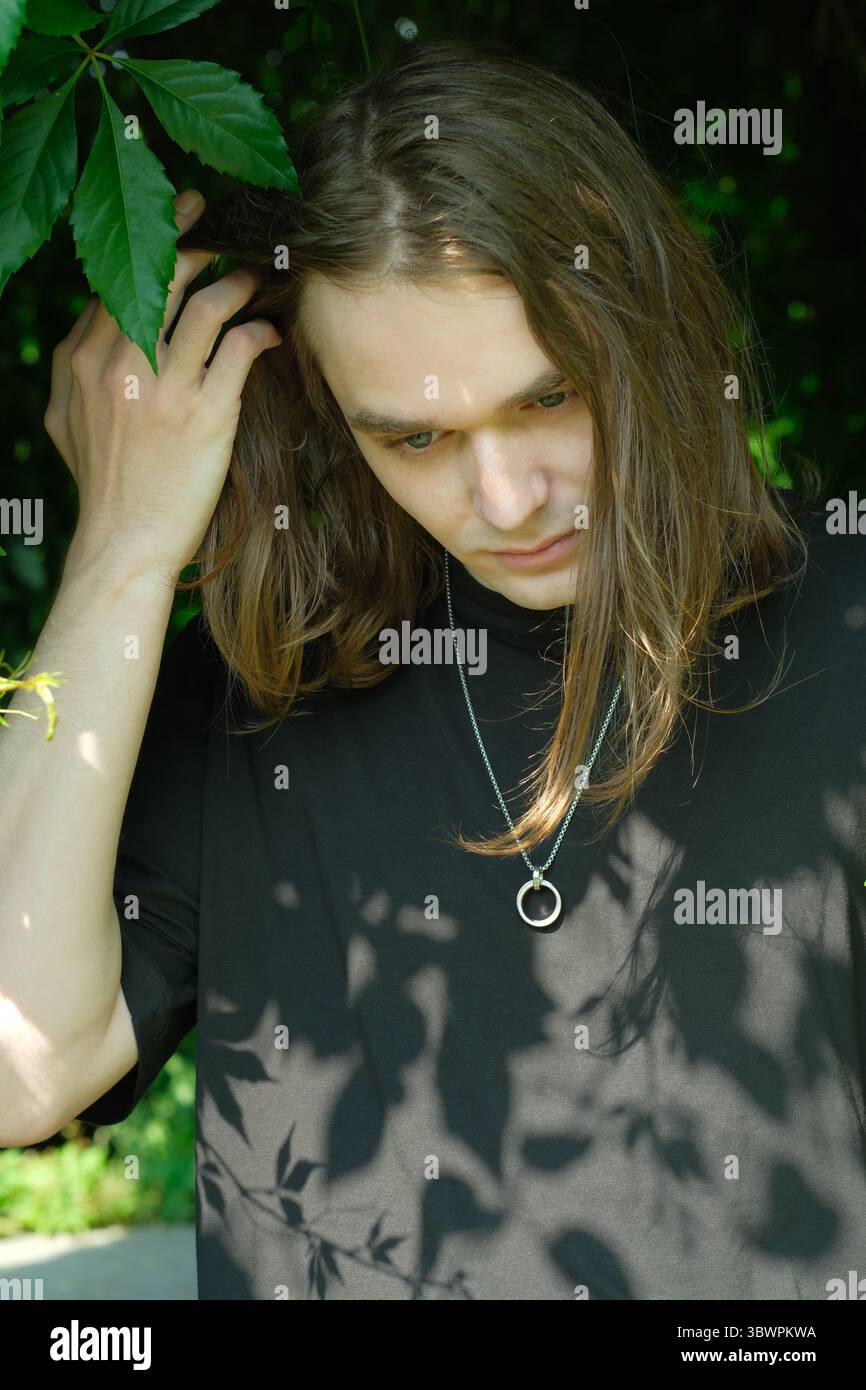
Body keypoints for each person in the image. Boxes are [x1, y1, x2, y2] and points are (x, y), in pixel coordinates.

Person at [1, 38, 863, 1302]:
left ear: (653, 327)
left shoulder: (840, 620)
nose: (508, 498)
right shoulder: (250, 694)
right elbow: (21, 1065)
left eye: (552, 397)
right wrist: (118, 554)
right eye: (415, 436)